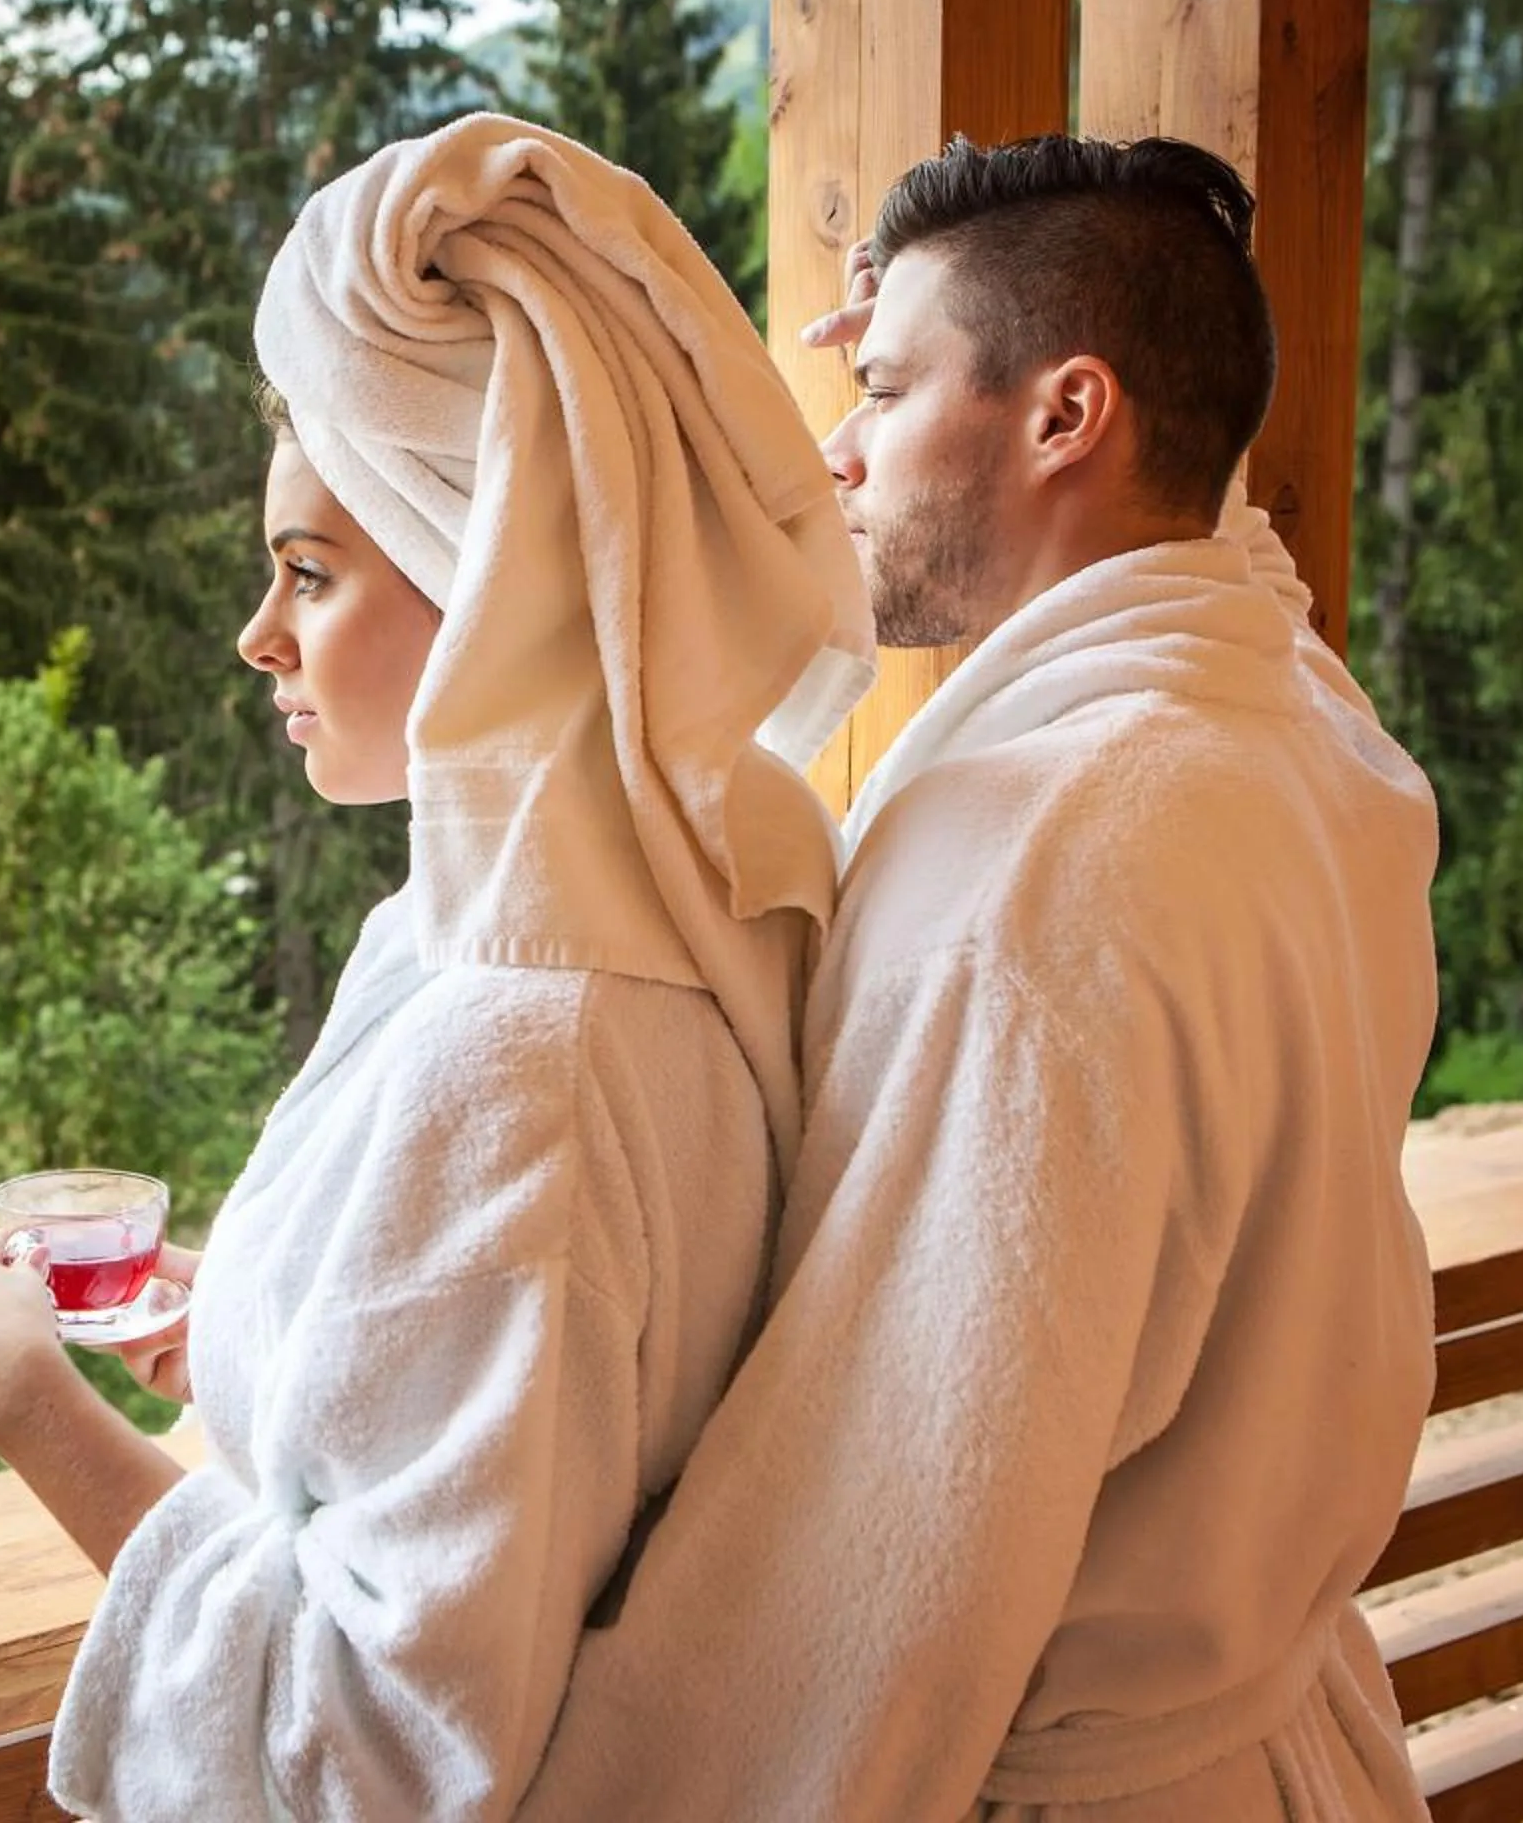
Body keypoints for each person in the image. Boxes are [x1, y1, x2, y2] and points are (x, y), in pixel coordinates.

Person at [0, 112, 875, 1821]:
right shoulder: (671, 898)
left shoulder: (526, 1045)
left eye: (312, 572)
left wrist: (21, 1401)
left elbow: (367, 1755)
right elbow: (530, 1400)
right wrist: (257, 1317)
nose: (257, 634)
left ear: (486, 583)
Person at [513, 134, 1444, 1820]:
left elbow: (881, 1530)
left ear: (1069, 416)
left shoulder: (1045, 869)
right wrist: (961, 344)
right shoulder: (1296, 731)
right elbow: (1221, 548)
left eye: (876, 388)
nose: (838, 450)